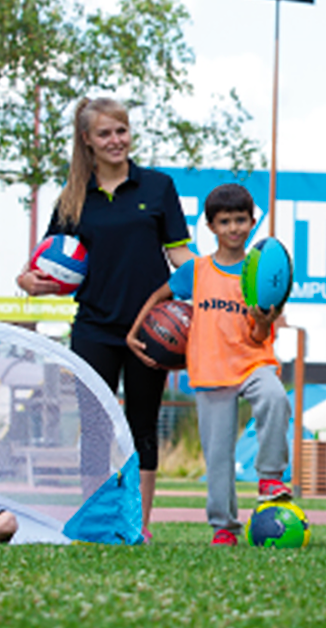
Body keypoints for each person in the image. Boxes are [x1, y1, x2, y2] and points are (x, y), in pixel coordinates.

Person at [16, 97, 195, 543]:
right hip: (94, 325)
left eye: (122, 131)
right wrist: (27, 280)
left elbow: (179, 256)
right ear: (87, 141)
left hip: (150, 330)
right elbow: (45, 264)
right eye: (105, 134)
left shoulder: (158, 187)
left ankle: (141, 524)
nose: (116, 141)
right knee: (94, 429)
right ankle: (94, 523)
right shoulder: (73, 198)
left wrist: (217, 281)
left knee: (142, 425)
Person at [127, 183, 292, 547]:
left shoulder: (262, 273)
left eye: (240, 220)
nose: (233, 228)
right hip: (210, 371)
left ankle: (270, 477)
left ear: (252, 222)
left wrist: (263, 320)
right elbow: (160, 295)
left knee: (276, 397)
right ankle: (224, 527)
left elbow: (259, 334)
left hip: (252, 362)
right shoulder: (197, 270)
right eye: (224, 221)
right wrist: (134, 332)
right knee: (218, 457)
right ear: (211, 227)